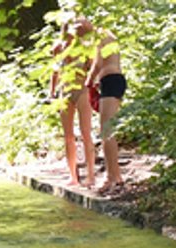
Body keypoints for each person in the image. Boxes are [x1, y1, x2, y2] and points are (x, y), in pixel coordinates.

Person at [76, 17, 127, 194]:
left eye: (80, 31)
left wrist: (88, 82)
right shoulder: (101, 36)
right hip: (107, 82)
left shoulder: (102, 34)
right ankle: (114, 175)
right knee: (106, 130)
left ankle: (112, 177)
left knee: (107, 130)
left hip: (112, 81)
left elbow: (97, 64)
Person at [48, 21, 95, 188]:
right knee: (68, 136)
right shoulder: (58, 48)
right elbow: (54, 72)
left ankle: (90, 175)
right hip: (64, 92)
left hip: (82, 89)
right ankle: (73, 175)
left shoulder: (86, 48)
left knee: (85, 132)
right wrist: (52, 92)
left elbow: (92, 69)